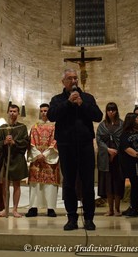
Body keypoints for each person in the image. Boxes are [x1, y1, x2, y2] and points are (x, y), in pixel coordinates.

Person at [47, 68, 103, 231]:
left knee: (87, 183)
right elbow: (52, 116)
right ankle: (71, 217)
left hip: (85, 145)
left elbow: (98, 116)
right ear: (63, 82)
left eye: (75, 78)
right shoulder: (57, 99)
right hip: (66, 145)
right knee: (69, 183)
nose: (73, 81)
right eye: (70, 78)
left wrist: (81, 104)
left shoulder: (87, 97)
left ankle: (89, 218)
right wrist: (68, 103)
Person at [0, 104, 29, 218]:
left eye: (15, 111)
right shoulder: (3, 127)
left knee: (17, 185)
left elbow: (26, 142)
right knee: (5, 185)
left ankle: (15, 209)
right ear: (8, 112)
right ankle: (6, 209)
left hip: (17, 159)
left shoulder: (22, 127)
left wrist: (14, 142)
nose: (12, 113)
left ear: (18, 113)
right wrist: (4, 142)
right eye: (11, 111)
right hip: (5, 159)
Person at [25, 103, 60, 218]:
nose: (44, 113)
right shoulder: (35, 127)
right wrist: (37, 155)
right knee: (35, 184)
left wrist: (44, 154)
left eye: (46, 110)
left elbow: (55, 142)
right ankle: (33, 208)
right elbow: (31, 143)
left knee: (50, 185)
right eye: (42, 111)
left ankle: (51, 208)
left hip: (49, 158)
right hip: (36, 159)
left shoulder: (55, 126)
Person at [96, 102, 124, 217]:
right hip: (106, 158)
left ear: (116, 111)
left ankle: (117, 209)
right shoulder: (102, 125)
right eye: (109, 110)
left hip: (119, 158)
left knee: (117, 183)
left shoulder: (122, 124)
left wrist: (116, 151)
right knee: (108, 184)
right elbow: (99, 140)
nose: (111, 112)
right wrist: (108, 150)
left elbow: (125, 139)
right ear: (106, 112)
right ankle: (110, 209)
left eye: (113, 110)